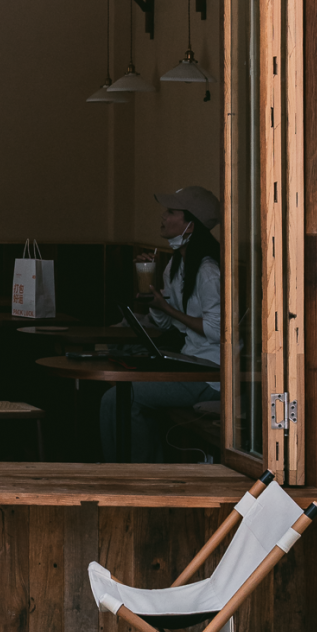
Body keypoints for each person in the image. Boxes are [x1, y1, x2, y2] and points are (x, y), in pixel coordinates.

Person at [99, 185, 221, 462]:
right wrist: (152, 296)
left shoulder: (209, 272)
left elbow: (216, 332)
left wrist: (166, 307)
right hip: (189, 363)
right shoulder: (175, 266)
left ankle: (139, 474)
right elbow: (164, 324)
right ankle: (126, 468)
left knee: (119, 398)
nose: (163, 216)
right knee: (118, 384)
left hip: (210, 375)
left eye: (171, 212)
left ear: (190, 226)